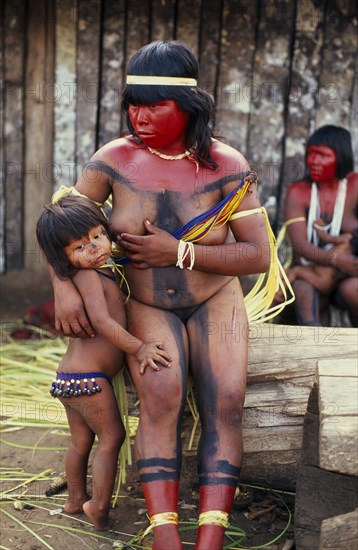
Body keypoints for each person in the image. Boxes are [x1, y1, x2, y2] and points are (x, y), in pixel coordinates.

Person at [50, 41, 271, 550]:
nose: (140, 116)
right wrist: (64, 288)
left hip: (214, 298)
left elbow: (258, 254)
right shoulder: (113, 159)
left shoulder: (226, 164)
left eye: (155, 105)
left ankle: (211, 537)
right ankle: (166, 536)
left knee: (228, 401)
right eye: (134, 103)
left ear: (189, 107)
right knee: (162, 395)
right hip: (147, 303)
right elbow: (60, 225)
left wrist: (180, 252)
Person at [36, 195, 171, 531]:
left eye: (97, 236)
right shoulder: (89, 278)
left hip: (70, 379)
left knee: (81, 442)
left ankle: (74, 499)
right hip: (90, 381)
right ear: (62, 259)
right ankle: (97, 506)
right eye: (80, 247)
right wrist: (139, 348)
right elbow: (104, 324)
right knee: (112, 439)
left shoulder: (106, 269)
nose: (94, 248)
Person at [284, 125, 358, 327]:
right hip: (311, 274)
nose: (314, 161)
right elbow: (300, 245)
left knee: (354, 289)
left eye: (323, 156)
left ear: (341, 157)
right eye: (311, 154)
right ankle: (311, 350)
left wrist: (346, 263)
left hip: (348, 276)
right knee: (303, 289)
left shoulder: (355, 187)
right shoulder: (298, 192)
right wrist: (336, 259)